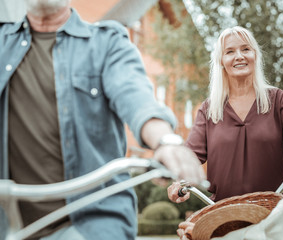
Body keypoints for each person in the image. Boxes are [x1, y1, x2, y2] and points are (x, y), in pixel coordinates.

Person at [0, 1, 205, 240]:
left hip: (91, 222)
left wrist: (165, 141)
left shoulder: (106, 42)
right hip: (10, 223)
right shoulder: (3, 41)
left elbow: (135, 94)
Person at [167, 26, 283, 240]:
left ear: (255, 55)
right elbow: (190, 156)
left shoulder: (276, 100)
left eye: (246, 49)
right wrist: (179, 182)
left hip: (279, 215)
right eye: (230, 51)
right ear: (221, 61)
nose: (239, 56)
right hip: (225, 219)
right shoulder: (209, 110)